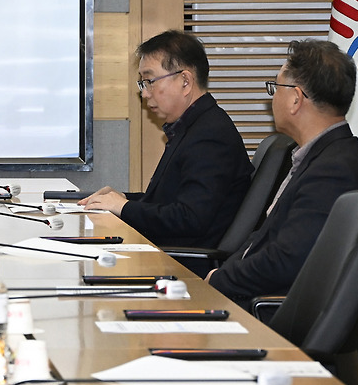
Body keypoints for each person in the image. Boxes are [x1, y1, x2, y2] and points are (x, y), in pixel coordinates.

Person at [208, 40, 358, 307]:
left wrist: (218, 281)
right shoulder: (319, 156)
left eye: (275, 88)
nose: (272, 98)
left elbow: (286, 260)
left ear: (296, 99)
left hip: (270, 315)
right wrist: (221, 275)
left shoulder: (333, 170)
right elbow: (262, 240)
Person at [79, 30, 252, 248]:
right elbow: (166, 202)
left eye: (150, 81)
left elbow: (189, 218)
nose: (145, 93)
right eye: (143, 83)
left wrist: (123, 207)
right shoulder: (193, 126)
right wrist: (122, 198)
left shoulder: (210, 136)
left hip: (181, 262)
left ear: (185, 81)